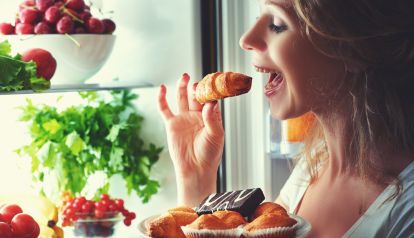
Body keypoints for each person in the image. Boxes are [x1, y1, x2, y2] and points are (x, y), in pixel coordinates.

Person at [157, 0, 414, 237]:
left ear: (356, 45)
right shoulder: (310, 170)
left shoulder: (407, 212)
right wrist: (197, 180)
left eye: (277, 25)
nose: (245, 39)